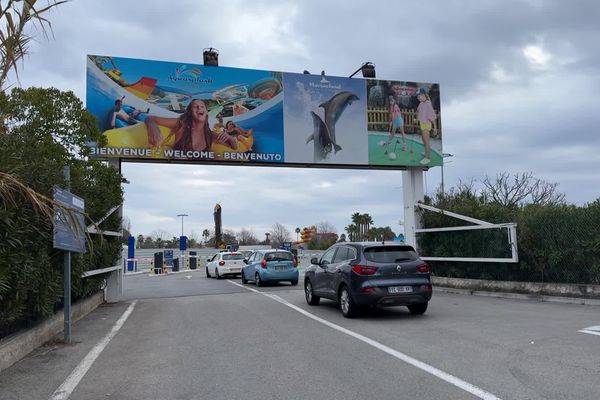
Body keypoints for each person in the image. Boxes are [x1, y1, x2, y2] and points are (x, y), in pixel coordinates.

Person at [145, 99, 237, 151]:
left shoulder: (210, 134)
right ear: (190, 112)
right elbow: (151, 118)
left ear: (206, 112)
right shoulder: (181, 125)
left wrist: (230, 138)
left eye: (202, 106)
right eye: (195, 106)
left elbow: (234, 147)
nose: (199, 108)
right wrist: (153, 127)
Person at [415, 88, 438, 165]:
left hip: (426, 124)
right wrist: (417, 119)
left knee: (426, 141)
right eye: (417, 96)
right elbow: (419, 111)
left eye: (419, 96)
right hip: (422, 123)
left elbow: (432, 116)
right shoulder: (421, 103)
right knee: (423, 139)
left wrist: (435, 128)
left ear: (423, 95)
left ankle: (427, 158)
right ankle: (426, 151)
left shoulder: (428, 104)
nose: (418, 98)